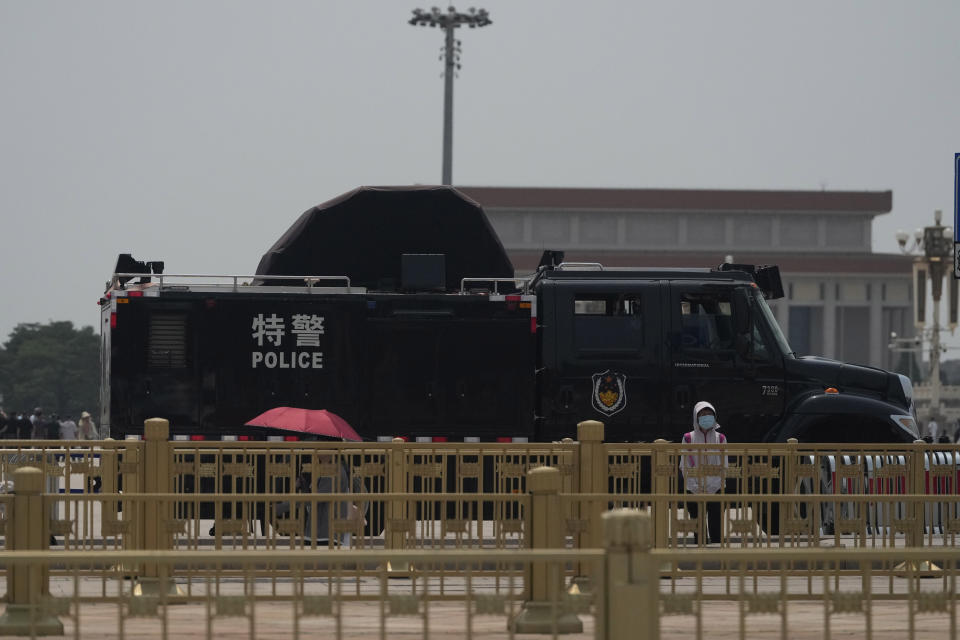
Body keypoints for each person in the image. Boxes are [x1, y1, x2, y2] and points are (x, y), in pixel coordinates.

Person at [679, 401, 728, 544]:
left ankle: (718, 560)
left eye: (709, 414)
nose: (706, 417)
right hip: (694, 488)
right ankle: (700, 559)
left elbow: (723, 465)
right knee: (698, 527)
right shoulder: (688, 438)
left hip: (716, 488)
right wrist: (695, 487)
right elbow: (685, 465)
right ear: (696, 417)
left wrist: (713, 486)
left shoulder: (721, 438)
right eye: (703, 414)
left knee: (716, 527)